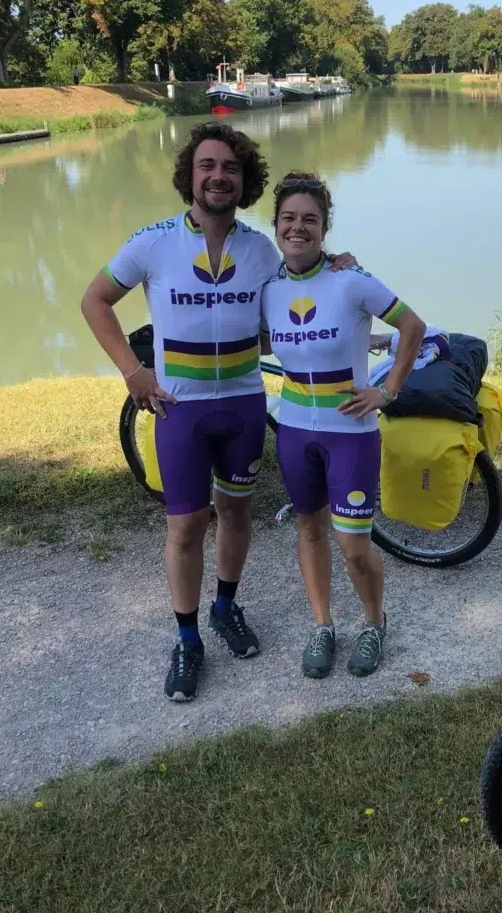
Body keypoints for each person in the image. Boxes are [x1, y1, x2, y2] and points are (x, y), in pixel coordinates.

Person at [80, 123, 355, 702]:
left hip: (242, 405)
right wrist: (133, 370)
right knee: (185, 526)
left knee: (235, 515)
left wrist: (337, 267)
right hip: (178, 409)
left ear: (244, 178)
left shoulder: (261, 249)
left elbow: (301, 291)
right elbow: (94, 299)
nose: (218, 176)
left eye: (229, 167)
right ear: (191, 175)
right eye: (207, 165)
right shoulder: (154, 242)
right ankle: (187, 640)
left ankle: (225, 606)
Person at [261, 173, 425, 678]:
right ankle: (322, 625)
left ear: (324, 227)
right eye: (289, 218)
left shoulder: (350, 279)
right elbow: (265, 342)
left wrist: (388, 391)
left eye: (310, 219)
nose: (298, 227)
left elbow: (411, 327)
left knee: (354, 544)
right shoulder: (268, 288)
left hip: (350, 433)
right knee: (309, 529)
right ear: (276, 225)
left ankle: (374, 622)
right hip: (294, 430)